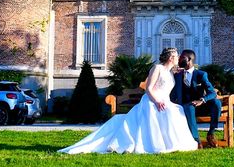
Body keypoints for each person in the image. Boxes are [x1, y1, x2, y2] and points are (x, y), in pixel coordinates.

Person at [58, 48, 198, 154]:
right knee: (168, 112)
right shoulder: (157, 68)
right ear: (170, 58)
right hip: (152, 101)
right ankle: (152, 144)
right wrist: (156, 101)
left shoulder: (170, 72)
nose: (178, 58)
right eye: (176, 56)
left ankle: (172, 143)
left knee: (176, 111)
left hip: (165, 101)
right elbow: (149, 88)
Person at [170, 49, 222, 148]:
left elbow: (212, 92)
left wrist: (202, 100)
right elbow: (172, 94)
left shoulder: (201, 74)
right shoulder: (177, 75)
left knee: (216, 103)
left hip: (201, 106)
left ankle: (211, 133)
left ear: (189, 59)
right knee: (189, 107)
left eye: (182, 57)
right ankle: (197, 140)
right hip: (185, 106)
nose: (179, 59)